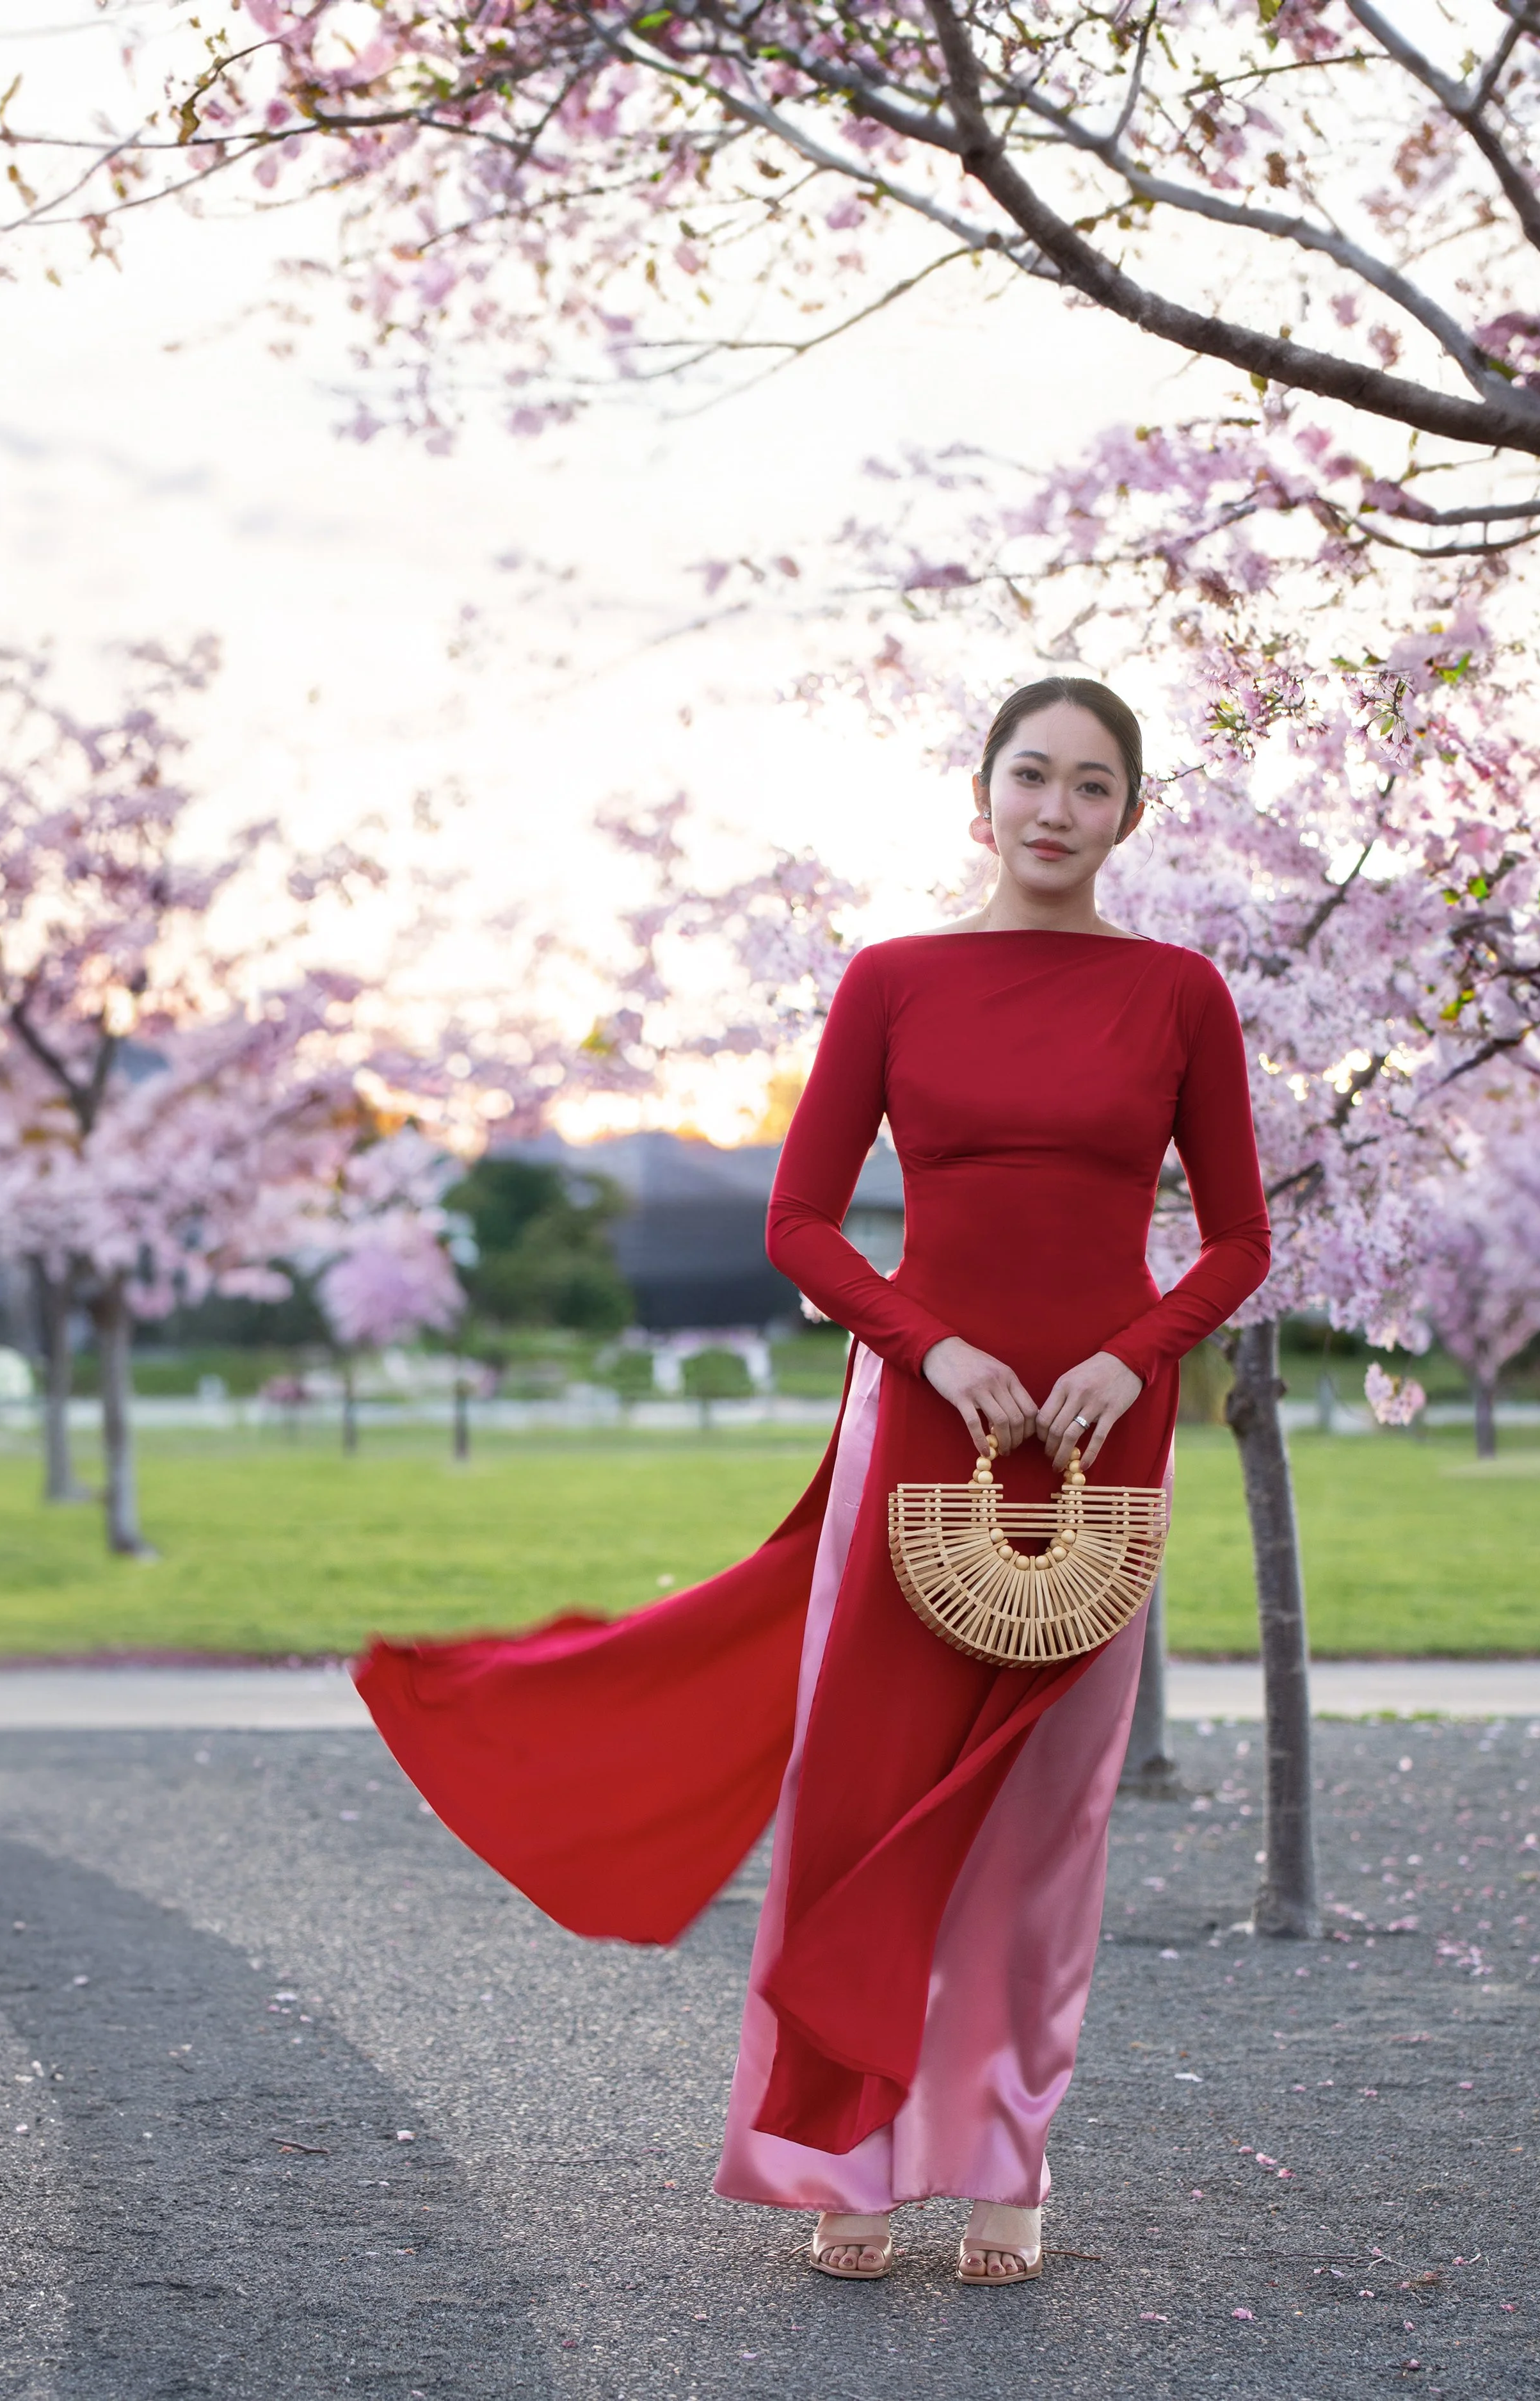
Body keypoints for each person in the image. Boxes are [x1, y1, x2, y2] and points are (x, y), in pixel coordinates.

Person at [357, 675, 1270, 2288]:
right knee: (862, 1794)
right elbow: (797, 1221)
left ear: (1130, 815)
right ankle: (841, 2148)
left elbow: (1241, 1237)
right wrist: (934, 1351)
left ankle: (1004, 2150)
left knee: (1042, 1816)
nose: (1055, 810)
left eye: (1091, 786)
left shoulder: (1179, 993)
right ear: (975, 797)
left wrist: (1131, 1358)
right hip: (924, 1417)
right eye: (1029, 777)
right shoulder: (892, 980)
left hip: (1101, 1436)